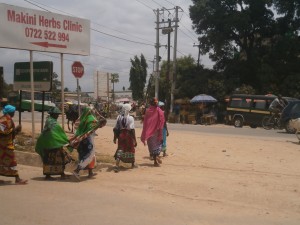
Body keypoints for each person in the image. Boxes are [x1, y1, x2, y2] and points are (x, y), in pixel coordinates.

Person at [69, 107, 107, 181]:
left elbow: (81, 131)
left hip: (83, 140)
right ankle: (77, 170)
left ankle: (90, 172)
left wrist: (73, 139)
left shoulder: (84, 119)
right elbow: (92, 128)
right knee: (90, 155)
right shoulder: (92, 119)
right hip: (88, 140)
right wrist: (100, 123)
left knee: (87, 156)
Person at [35, 107, 72, 180]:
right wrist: (65, 140)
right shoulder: (54, 123)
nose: (58, 116)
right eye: (57, 114)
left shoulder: (49, 121)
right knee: (61, 158)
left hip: (47, 143)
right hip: (54, 144)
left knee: (48, 159)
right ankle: (61, 174)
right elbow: (59, 133)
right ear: (53, 114)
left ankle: (50, 175)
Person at [0, 105, 28, 184]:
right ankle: (17, 179)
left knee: (2, 161)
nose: (14, 113)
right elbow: (4, 132)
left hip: (3, 145)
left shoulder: (3, 118)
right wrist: (15, 129)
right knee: (12, 161)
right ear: (11, 112)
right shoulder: (6, 120)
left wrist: (15, 131)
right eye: (14, 112)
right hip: (5, 145)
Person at [141, 97, 165, 167]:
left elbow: (145, 122)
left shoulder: (148, 111)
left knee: (152, 147)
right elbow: (162, 120)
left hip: (149, 133)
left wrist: (145, 131)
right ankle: (157, 157)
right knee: (157, 145)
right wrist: (160, 129)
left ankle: (155, 161)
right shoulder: (159, 110)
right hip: (156, 132)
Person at [113, 103, 137, 172]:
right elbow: (132, 130)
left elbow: (115, 129)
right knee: (131, 149)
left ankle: (117, 165)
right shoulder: (131, 118)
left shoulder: (119, 117)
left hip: (121, 135)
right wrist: (135, 140)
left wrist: (115, 138)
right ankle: (132, 164)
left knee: (120, 149)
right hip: (128, 135)